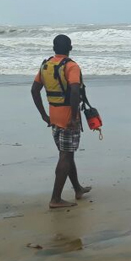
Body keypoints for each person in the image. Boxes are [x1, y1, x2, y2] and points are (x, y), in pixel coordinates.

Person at [30, 34, 91, 208]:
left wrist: (43, 114)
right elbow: (74, 92)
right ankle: (55, 199)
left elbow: (34, 91)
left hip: (54, 117)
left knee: (67, 153)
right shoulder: (71, 66)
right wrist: (73, 117)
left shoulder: (46, 65)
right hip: (68, 119)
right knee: (65, 155)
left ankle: (78, 188)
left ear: (54, 48)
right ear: (70, 48)